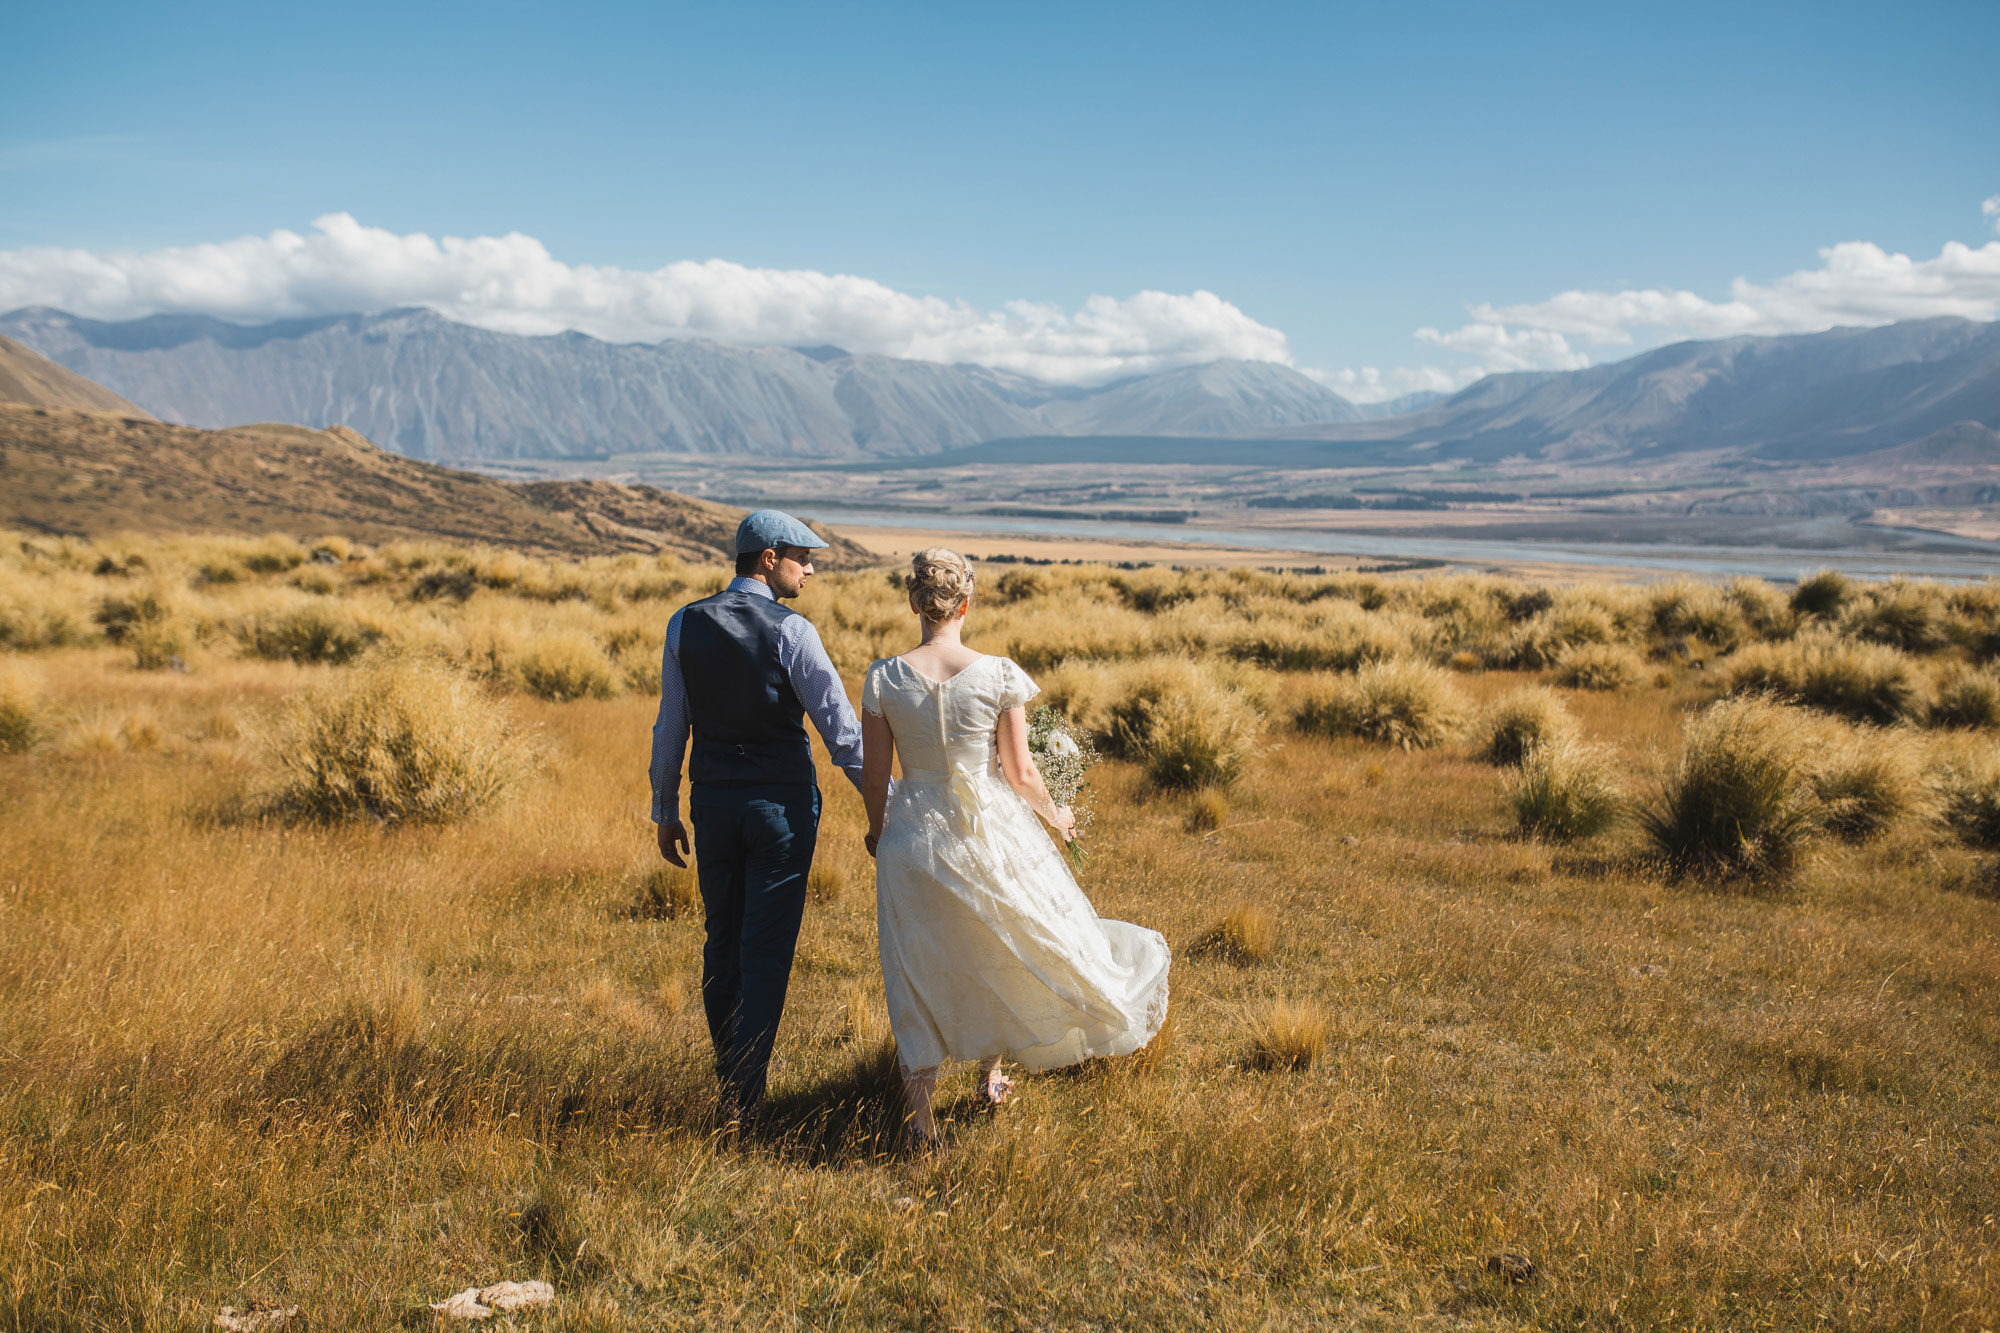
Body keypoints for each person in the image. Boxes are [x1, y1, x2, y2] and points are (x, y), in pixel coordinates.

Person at [860, 548, 1171, 1150]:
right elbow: (1022, 773)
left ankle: (920, 1122)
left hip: (915, 834)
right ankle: (990, 1075)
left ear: (913, 603)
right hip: (990, 832)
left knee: (918, 963)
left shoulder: (883, 678)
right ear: (966, 603)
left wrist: (879, 829)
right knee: (998, 939)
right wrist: (1059, 818)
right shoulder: (999, 674)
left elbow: (877, 778)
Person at [649, 510, 864, 1125]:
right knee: (764, 949)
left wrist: (665, 809)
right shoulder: (792, 631)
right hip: (780, 810)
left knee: (722, 942)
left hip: (712, 804)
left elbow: (672, 726)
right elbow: (843, 735)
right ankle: (745, 1096)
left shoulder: (683, 623)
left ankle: (731, 1081)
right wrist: (891, 803)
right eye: (802, 556)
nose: (811, 568)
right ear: (768, 558)